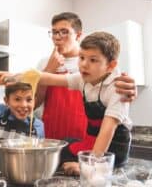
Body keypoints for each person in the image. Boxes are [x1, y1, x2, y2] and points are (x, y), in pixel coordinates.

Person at [38, 31, 132, 175]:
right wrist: (10, 77)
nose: (84, 65)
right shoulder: (83, 80)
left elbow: (107, 132)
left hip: (111, 152)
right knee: (60, 149)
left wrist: (88, 167)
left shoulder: (118, 88)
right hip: (91, 144)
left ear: (111, 65)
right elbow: (46, 78)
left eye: (93, 60)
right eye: (81, 57)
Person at [35, 12, 136, 141]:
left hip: (88, 138)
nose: (57, 37)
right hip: (52, 136)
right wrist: (48, 70)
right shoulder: (44, 63)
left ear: (78, 35)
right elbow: (35, 103)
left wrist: (131, 88)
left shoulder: (95, 63)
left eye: (64, 31)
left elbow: (119, 91)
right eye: (54, 32)